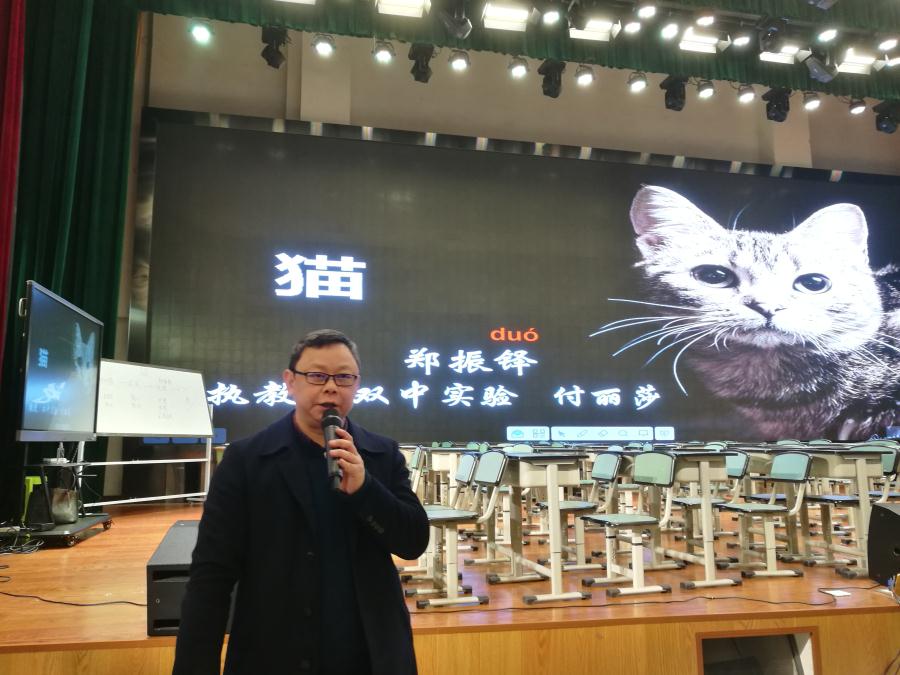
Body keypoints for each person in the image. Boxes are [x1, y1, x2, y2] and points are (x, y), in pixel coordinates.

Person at [173, 329, 429, 675]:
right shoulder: (247, 460)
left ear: (357, 385)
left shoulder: (381, 454)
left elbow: (413, 541)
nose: (331, 387)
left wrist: (366, 488)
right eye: (317, 376)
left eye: (344, 377)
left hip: (370, 655)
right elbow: (211, 575)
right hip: (272, 652)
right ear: (290, 382)